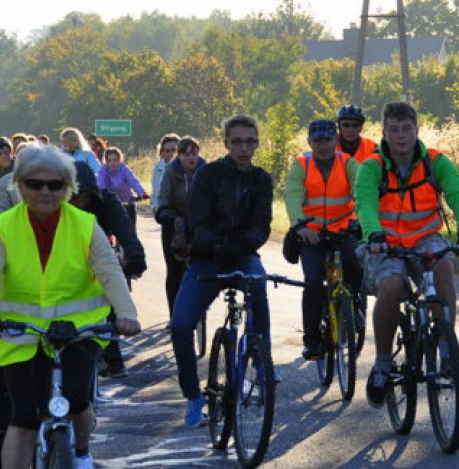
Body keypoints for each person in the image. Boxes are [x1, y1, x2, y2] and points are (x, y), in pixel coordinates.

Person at [0, 145, 140, 469]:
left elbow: (109, 272)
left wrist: (126, 313)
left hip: (78, 330)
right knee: (24, 415)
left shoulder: (84, 224)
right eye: (36, 184)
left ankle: (81, 455)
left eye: (55, 184)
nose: (45, 191)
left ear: (67, 188)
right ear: (21, 186)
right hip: (20, 333)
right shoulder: (5, 226)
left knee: (77, 399)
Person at [354, 100, 459, 407]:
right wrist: (374, 234)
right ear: (384, 133)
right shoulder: (372, 167)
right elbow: (365, 203)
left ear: (416, 131)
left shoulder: (435, 161)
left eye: (407, 129)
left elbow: (458, 194)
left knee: (443, 268)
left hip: (425, 238)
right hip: (385, 242)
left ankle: (446, 349)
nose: (401, 136)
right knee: (391, 287)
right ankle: (383, 363)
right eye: (394, 130)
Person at [171, 114, 273, 427]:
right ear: (226, 143)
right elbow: (198, 221)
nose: (244, 148)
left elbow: (262, 224)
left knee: (258, 284)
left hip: (243, 255)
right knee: (180, 325)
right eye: (237, 141)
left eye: (250, 141)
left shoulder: (261, 179)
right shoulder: (208, 175)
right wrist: (216, 246)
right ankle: (193, 396)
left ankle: (262, 361)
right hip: (206, 258)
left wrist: (240, 247)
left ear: (256, 144)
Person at [284, 118, 365, 360]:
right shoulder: (301, 164)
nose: (323, 145)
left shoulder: (348, 163)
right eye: (317, 141)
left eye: (328, 140)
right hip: (312, 234)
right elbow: (293, 196)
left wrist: (361, 218)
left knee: (356, 265)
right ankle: (311, 341)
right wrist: (300, 226)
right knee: (313, 281)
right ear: (310, 142)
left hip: (343, 229)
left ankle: (354, 307)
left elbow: (361, 191)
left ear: (335, 140)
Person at [71, 161, 147, 378]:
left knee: (111, 296)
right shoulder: (54, 205)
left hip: (99, 256)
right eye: (75, 198)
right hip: (65, 260)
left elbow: (125, 229)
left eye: (85, 197)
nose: (80, 203)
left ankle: (113, 359)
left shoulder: (107, 200)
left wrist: (136, 257)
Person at [154, 136, 204, 316]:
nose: (191, 158)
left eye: (194, 154)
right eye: (186, 154)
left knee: (201, 270)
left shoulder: (206, 171)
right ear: (180, 156)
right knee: (175, 271)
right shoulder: (170, 171)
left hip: (199, 225)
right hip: (174, 226)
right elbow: (163, 199)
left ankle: (198, 313)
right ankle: (174, 316)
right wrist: (168, 217)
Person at [96, 147, 148, 231]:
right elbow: (101, 185)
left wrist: (142, 193)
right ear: (106, 161)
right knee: (109, 229)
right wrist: (103, 197)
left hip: (128, 202)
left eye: (115, 160)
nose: (112, 163)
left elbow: (133, 181)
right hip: (112, 204)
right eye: (109, 160)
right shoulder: (103, 171)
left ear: (120, 160)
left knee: (131, 230)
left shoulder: (124, 170)